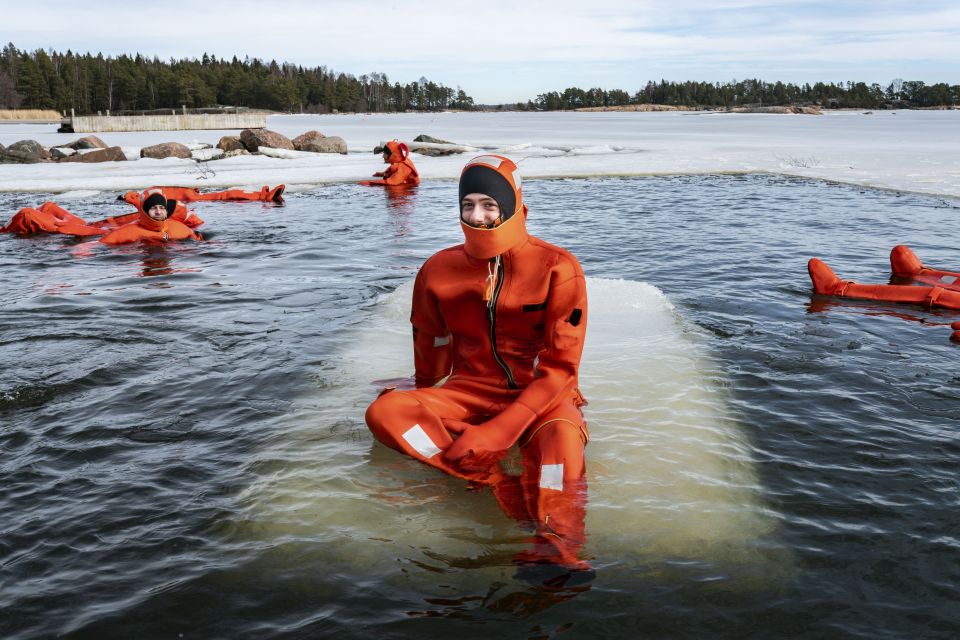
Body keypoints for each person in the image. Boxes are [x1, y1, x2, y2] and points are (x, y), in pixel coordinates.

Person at [364, 155, 590, 569]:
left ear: (514, 206)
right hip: (467, 391)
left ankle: (557, 543)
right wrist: (421, 389)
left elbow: (561, 368)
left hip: (543, 395)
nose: (477, 216)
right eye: (467, 205)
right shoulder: (438, 269)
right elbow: (431, 342)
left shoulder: (558, 267)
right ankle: (491, 478)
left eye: (489, 205)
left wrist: (502, 429)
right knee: (385, 412)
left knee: (560, 452)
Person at [99, 188, 202, 245]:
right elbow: (99, 246)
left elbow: (200, 242)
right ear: (145, 211)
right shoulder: (126, 232)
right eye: (153, 208)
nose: (158, 212)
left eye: (162, 208)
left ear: (166, 211)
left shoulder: (180, 228)